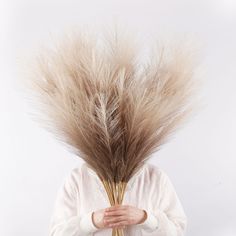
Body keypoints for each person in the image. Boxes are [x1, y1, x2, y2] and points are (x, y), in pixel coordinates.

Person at [48, 162, 187, 236]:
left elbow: (178, 230)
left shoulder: (155, 177)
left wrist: (145, 218)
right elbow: (57, 233)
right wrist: (92, 221)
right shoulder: (78, 178)